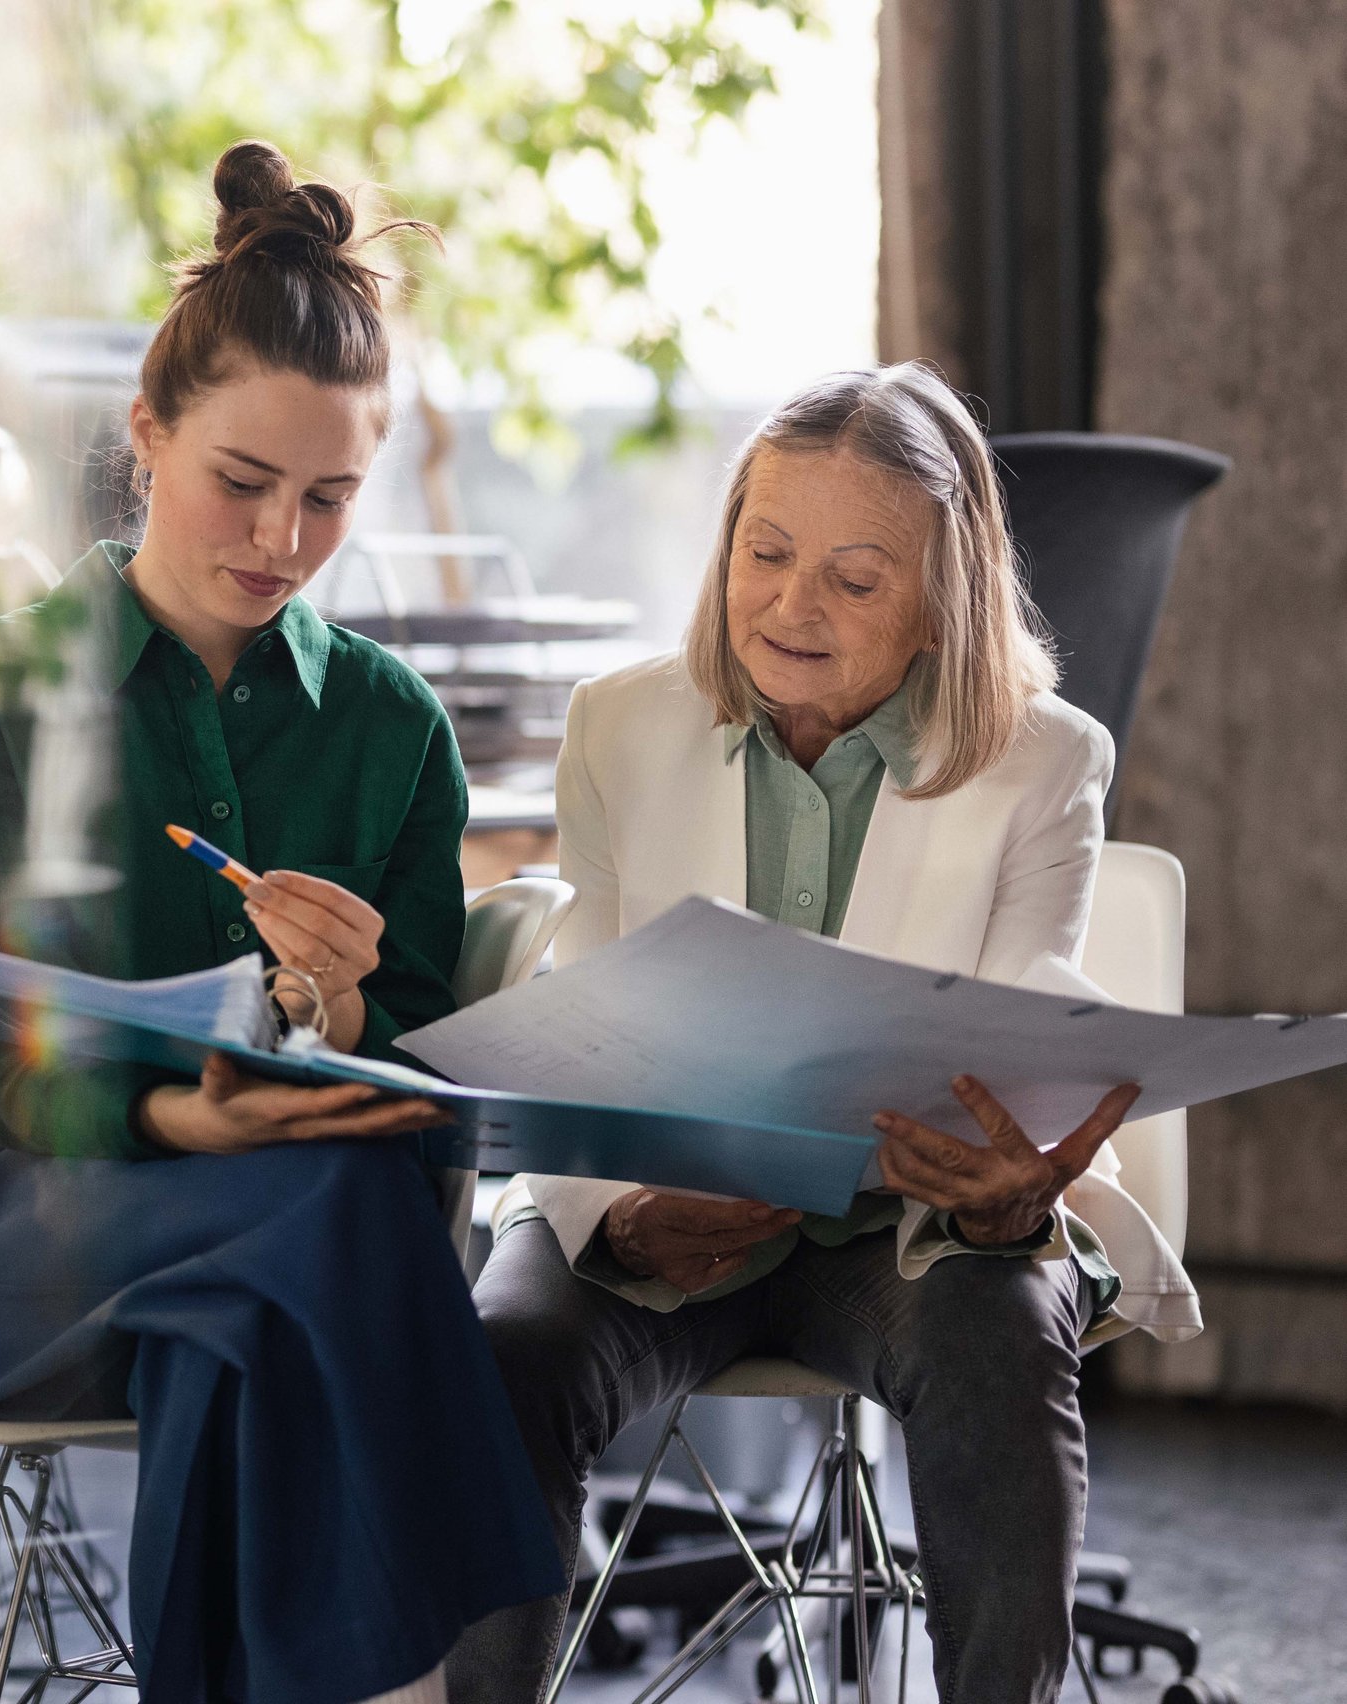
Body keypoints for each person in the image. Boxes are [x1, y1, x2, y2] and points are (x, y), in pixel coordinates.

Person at [0, 140, 563, 1704]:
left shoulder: (393, 729)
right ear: (145, 435)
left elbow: (426, 1068)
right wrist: (173, 1119)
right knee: (332, 1231)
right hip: (20, 1224)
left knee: (248, 1322)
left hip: (276, 1257)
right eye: (240, 484)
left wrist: (341, 1014)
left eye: (330, 500)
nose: (279, 540)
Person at [448, 363, 1201, 1704]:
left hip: (902, 1236)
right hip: (669, 1207)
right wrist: (616, 1211)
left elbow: (1022, 1011)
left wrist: (1004, 1183)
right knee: (505, 1348)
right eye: (767, 552)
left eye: (857, 580)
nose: (793, 605)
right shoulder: (618, 725)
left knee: (999, 1338)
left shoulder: (1046, 762)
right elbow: (590, 1013)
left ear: (938, 603)